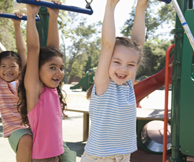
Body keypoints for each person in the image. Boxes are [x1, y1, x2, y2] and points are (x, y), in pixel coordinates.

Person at [81, 0, 148, 161]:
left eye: (130, 65)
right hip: (99, 157)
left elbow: (138, 44)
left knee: (135, 49)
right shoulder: (103, 84)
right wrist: (110, 5)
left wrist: (141, 7)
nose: (123, 69)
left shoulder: (128, 84)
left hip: (123, 155)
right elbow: (108, 44)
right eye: (117, 62)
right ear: (107, 61)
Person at [17, 1, 73, 161]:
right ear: (37, 69)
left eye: (61, 68)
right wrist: (31, 15)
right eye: (53, 67)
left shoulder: (52, 88)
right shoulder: (35, 90)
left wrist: (54, 17)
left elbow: (54, 50)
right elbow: (34, 48)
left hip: (56, 156)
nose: (59, 72)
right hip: (42, 158)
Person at [0, 10, 32, 162]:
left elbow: (22, 50)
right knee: (26, 140)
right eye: (3, 66)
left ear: (20, 68)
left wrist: (17, 25)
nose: (7, 69)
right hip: (15, 130)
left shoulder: (23, 80)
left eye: (12, 66)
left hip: (33, 126)